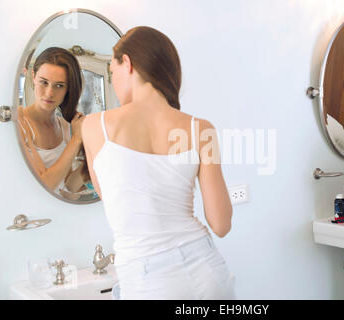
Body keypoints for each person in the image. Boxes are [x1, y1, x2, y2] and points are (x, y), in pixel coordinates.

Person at [81, 26, 236, 300]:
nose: (113, 81)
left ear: (126, 63)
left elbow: (114, 201)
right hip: (206, 269)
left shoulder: (96, 126)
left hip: (147, 279)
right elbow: (221, 224)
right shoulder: (201, 129)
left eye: (112, 71)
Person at [17, 47, 88, 193]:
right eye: (44, 82)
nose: (49, 93)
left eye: (59, 85)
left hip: (58, 210)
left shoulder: (64, 126)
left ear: (68, 89)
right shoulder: (19, 122)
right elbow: (45, 184)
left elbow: (69, 188)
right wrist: (76, 140)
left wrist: (90, 159)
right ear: (33, 77)